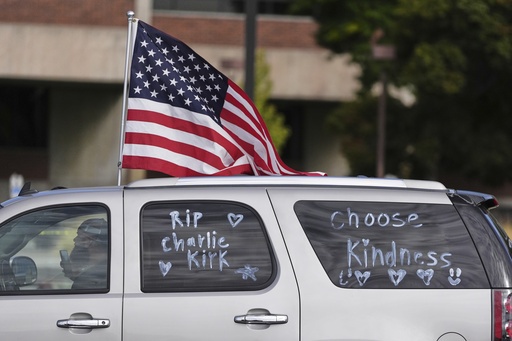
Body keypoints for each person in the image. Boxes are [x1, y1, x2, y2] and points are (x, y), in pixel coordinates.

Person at [61, 218, 108, 289]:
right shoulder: (105, 268)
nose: (75, 239)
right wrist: (75, 276)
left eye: (80, 236)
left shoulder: (98, 274)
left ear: (91, 241)